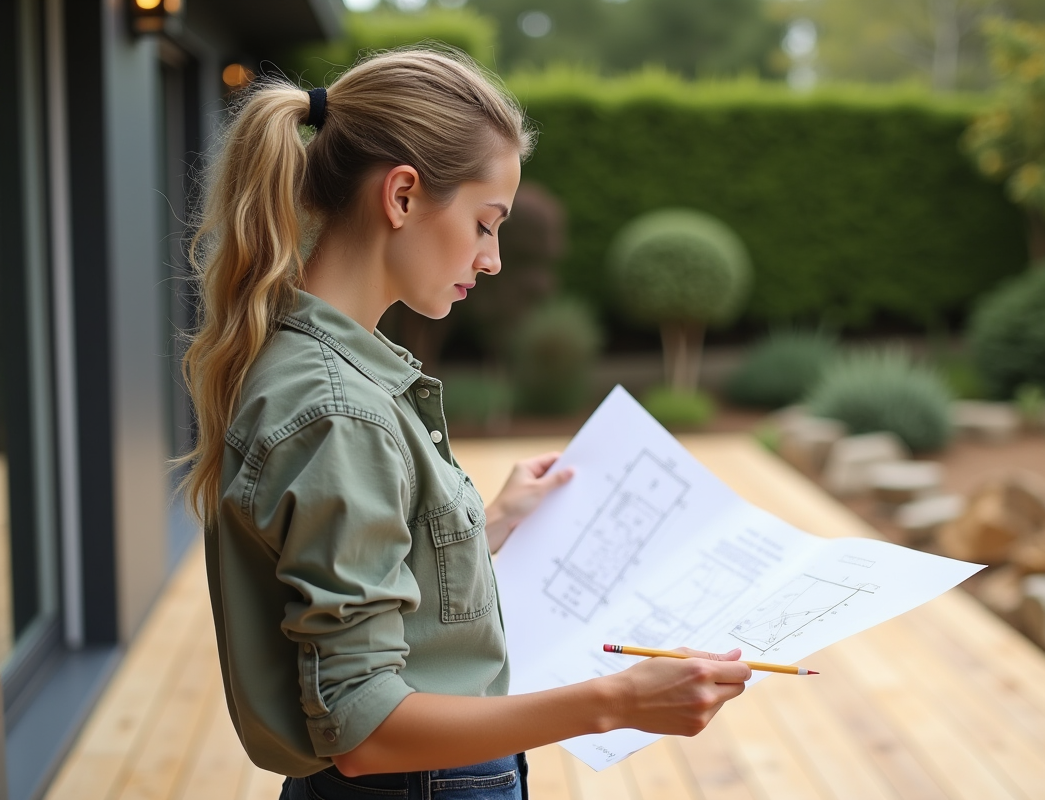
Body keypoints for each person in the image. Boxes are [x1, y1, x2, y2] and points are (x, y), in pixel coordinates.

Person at [179, 48, 750, 800]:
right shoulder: (338, 411)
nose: (493, 260)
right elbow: (364, 729)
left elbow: (374, 568)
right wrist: (617, 701)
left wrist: (491, 522)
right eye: (486, 224)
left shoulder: (322, 368)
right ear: (402, 196)